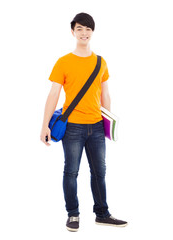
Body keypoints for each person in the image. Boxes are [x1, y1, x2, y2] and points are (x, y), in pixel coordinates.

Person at [40, 12, 128, 232]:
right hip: (73, 127)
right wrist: (43, 126)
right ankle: (73, 215)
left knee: (100, 172)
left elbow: (105, 94)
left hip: (97, 126)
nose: (84, 33)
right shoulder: (64, 62)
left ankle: (102, 214)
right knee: (71, 171)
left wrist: (109, 121)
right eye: (80, 28)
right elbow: (53, 95)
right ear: (73, 32)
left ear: (93, 32)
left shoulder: (101, 62)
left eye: (88, 29)